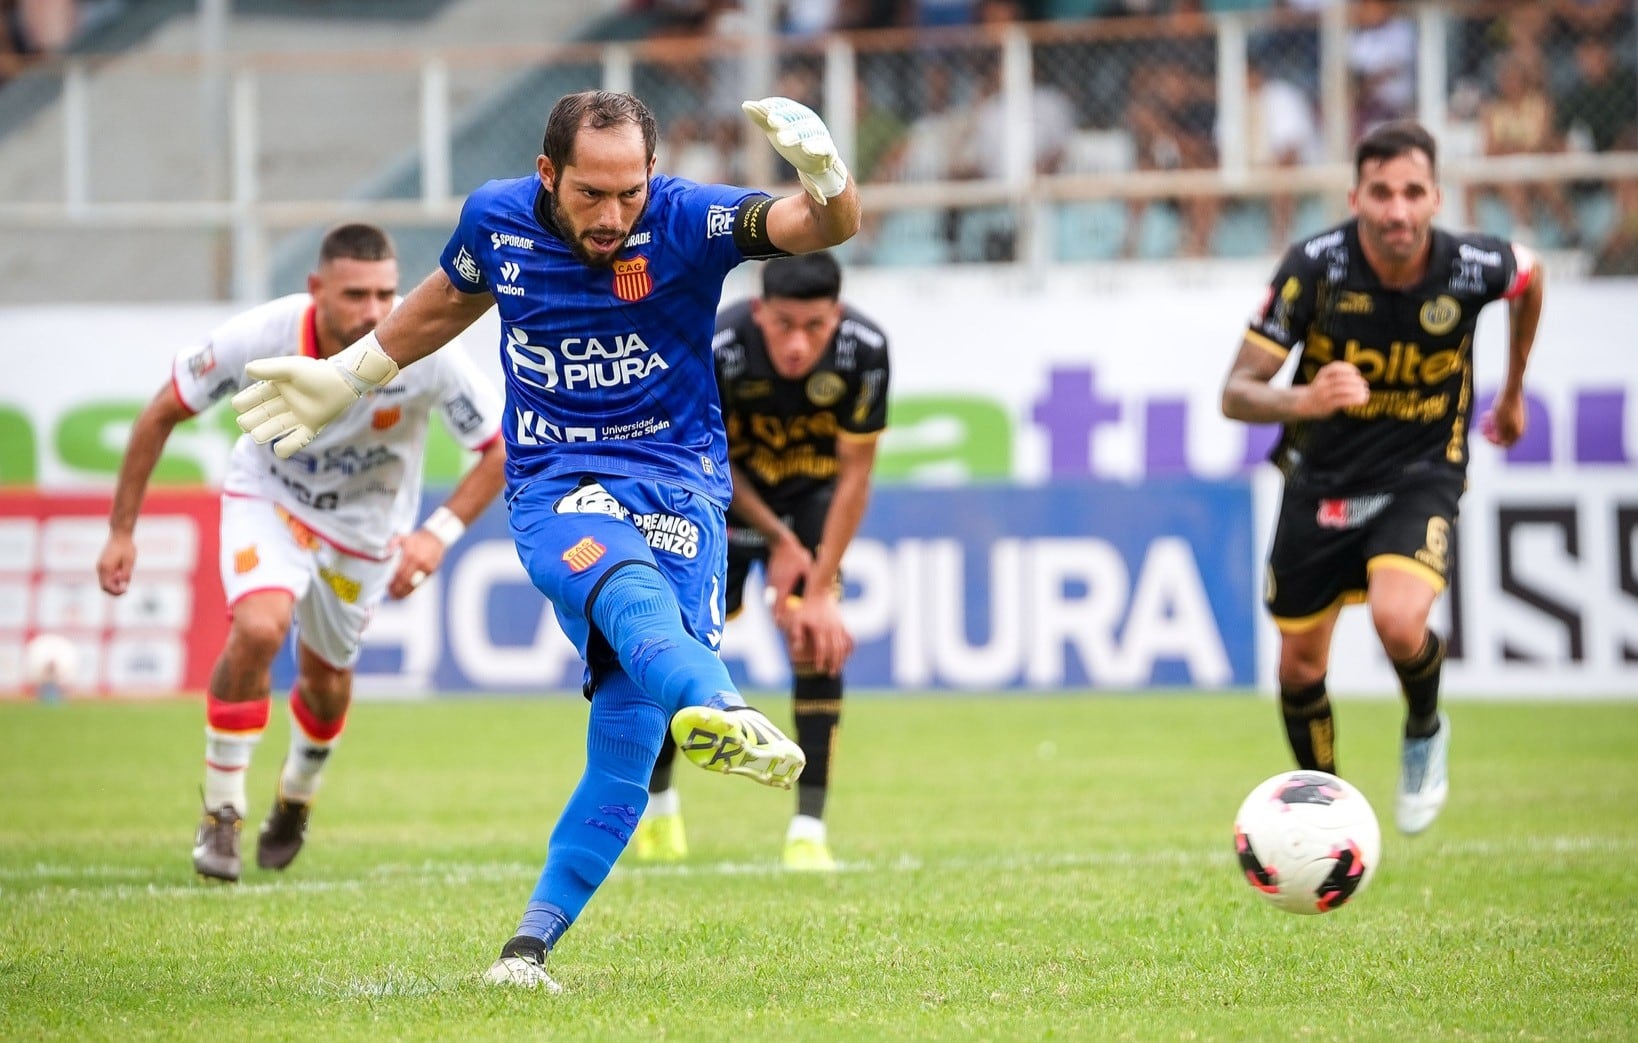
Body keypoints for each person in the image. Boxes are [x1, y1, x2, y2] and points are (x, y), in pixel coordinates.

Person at [229, 90, 861, 991]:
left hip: (678, 480)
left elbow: (819, 227)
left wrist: (826, 174)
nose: (612, 216)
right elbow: (448, 299)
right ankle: (720, 702)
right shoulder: (497, 218)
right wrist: (350, 373)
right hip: (554, 482)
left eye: (629, 194)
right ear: (547, 174)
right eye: (590, 195)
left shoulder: (685, 217)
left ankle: (524, 952)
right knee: (620, 570)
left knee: (629, 748)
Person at [96, 223, 507, 883]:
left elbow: (499, 447)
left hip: (367, 531)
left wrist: (438, 532)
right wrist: (122, 531)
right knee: (260, 626)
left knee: (324, 679)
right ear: (316, 290)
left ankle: (296, 793)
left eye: (384, 293)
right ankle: (222, 812)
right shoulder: (262, 335)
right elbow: (158, 414)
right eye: (354, 295)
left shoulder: (422, 347)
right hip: (273, 499)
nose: (374, 311)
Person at [1220, 120, 1545, 837]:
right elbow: (1236, 392)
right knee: (1301, 667)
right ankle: (1326, 815)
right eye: (1380, 193)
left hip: (1421, 470)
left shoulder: (1471, 264)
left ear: (1435, 198)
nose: (1396, 210)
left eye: (1412, 193)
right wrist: (1304, 398)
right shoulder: (1314, 266)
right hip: (1320, 477)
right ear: (1354, 196)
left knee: (1402, 621)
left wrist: (1513, 388)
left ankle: (1424, 728)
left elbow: (1530, 272)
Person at [633, 250, 888, 872]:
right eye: (783, 325)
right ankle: (660, 810)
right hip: (719, 499)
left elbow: (856, 476)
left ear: (837, 314)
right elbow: (707, 457)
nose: (798, 344)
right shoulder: (721, 344)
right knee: (681, 646)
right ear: (759, 309)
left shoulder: (866, 349)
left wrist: (821, 585)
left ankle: (808, 831)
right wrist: (779, 541)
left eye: (815, 327)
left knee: (816, 640)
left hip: (811, 504)